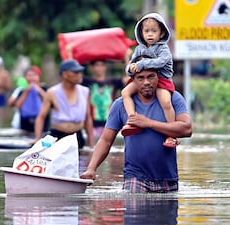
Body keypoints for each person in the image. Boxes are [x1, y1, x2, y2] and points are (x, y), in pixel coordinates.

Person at [80, 63, 192, 193]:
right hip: (135, 178)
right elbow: (106, 140)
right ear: (132, 80)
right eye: (140, 78)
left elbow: (186, 129)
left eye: (151, 77)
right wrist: (91, 168)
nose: (146, 82)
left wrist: (148, 123)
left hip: (168, 178)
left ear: (159, 77)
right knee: (134, 210)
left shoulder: (173, 98)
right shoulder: (120, 105)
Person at [121, 12, 179, 148]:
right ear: (141, 33)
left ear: (162, 33)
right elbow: (130, 65)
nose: (150, 34)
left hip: (162, 80)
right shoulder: (139, 49)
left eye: (154, 31)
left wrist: (141, 65)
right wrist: (130, 69)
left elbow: (160, 62)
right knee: (125, 93)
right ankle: (132, 120)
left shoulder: (163, 48)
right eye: (147, 31)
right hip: (143, 80)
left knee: (165, 101)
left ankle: (172, 134)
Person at [33, 59, 94, 149]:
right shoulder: (52, 92)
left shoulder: (85, 92)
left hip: (77, 136)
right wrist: (37, 139)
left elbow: (88, 119)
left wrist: (91, 145)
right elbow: (41, 117)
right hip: (57, 136)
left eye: (80, 72)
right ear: (65, 74)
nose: (79, 75)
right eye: (75, 72)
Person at [82, 60, 126, 137]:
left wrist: (126, 58)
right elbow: (72, 74)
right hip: (92, 125)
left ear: (105, 67)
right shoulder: (86, 82)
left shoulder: (113, 81)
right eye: (97, 65)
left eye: (102, 65)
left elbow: (128, 79)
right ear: (92, 67)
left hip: (110, 124)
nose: (100, 68)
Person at [8, 66, 49, 133]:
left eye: (34, 75)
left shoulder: (45, 89)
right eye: (29, 75)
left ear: (39, 77)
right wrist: (26, 91)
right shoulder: (22, 90)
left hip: (43, 128)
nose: (31, 78)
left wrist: (39, 90)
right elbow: (18, 106)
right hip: (25, 128)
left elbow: (49, 102)